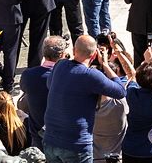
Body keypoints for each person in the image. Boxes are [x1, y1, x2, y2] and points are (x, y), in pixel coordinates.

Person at [43, 34, 128, 163]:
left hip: (50, 140)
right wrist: (105, 64)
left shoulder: (60, 65)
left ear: (73, 51)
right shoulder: (91, 75)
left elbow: (50, 84)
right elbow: (121, 91)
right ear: (94, 55)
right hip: (76, 145)